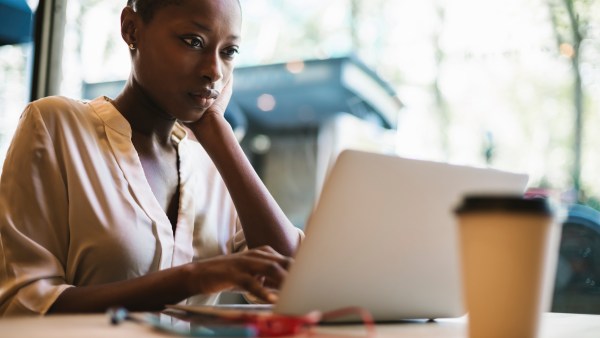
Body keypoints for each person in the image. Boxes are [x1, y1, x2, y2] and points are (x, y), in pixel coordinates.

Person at [0, 0, 303, 316]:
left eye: (228, 52)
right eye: (193, 42)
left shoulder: (213, 166)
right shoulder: (56, 125)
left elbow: (291, 279)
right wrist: (192, 278)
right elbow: (22, 304)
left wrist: (218, 133)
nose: (214, 71)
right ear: (131, 29)